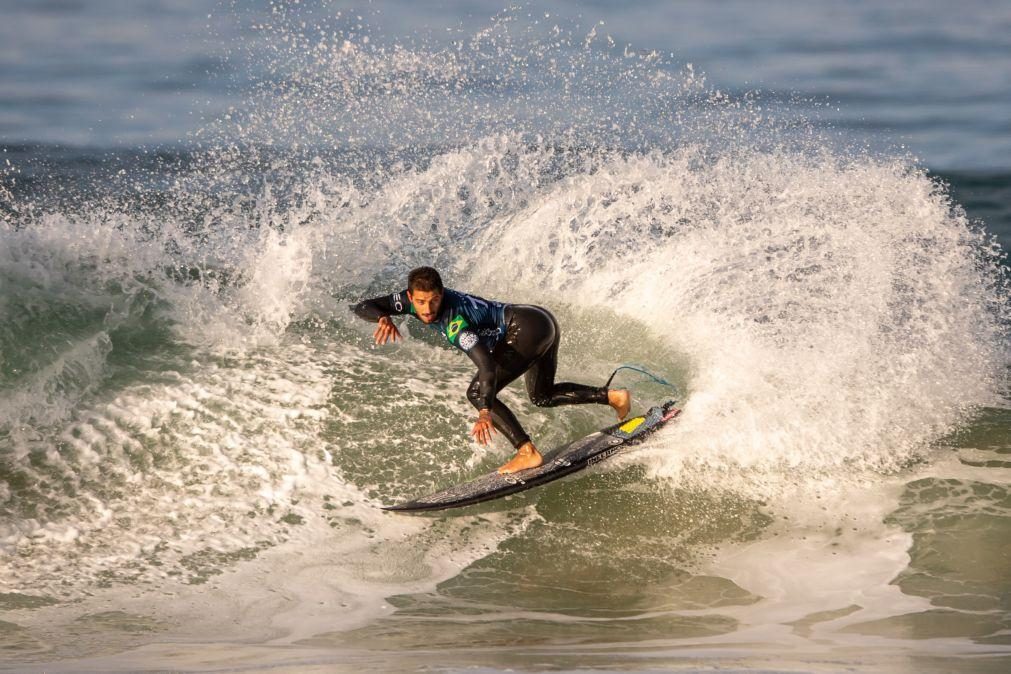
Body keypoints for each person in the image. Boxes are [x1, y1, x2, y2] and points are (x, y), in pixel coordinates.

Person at [352, 266, 631, 474]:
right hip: (539, 319)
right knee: (542, 395)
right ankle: (613, 397)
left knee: (476, 392)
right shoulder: (409, 301)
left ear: (442, 294)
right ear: (410, 297)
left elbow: (486, 366)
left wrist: (485, 410)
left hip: (525, 329)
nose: (427, 309)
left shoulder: (455, 323)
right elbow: (363, 306)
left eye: (434, 300)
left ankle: (527, 451)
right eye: (421, 302)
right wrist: (382, 316)